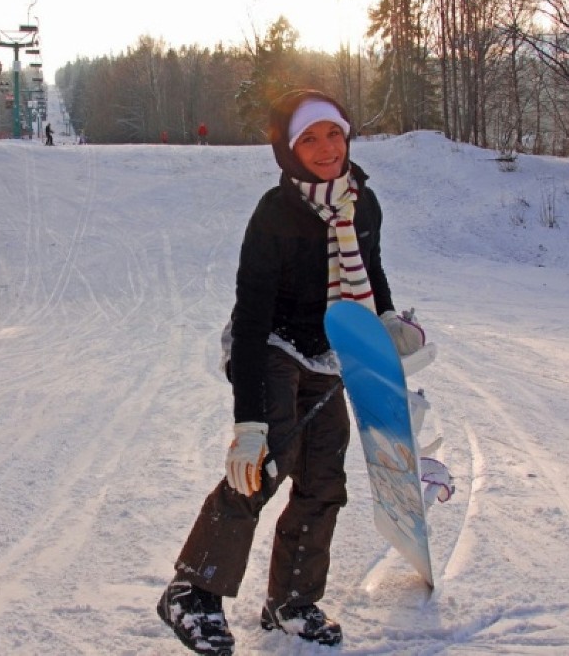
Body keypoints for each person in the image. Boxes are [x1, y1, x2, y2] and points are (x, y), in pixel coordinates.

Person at [157, 89, 425, 654]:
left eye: (333, 134)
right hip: (271, 344)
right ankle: (192, 591)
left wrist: (383, 320)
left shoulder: (362, 202)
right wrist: (249, 424)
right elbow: (252, 318)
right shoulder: (274, 214)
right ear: (289, 148)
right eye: (309, 138)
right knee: (266, 461)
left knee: (325, 475)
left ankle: (291, 602)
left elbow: (370, 269)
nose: (326, 148)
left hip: (331, 347)